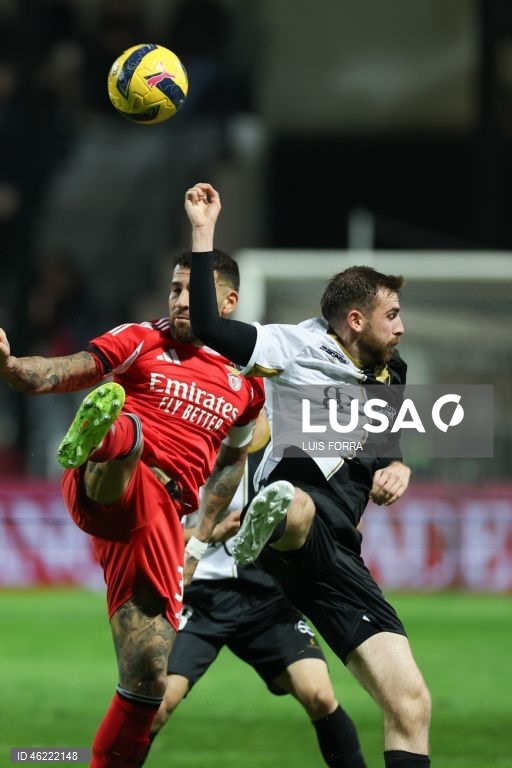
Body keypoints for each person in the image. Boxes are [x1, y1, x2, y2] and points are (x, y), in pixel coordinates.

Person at [182, 182, 432, 768]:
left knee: (411, 704)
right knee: (295, 504)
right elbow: (210, 328)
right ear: (354, 319)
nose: (400, 327)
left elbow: (385, 447)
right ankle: (266, 527)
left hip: (342, 555)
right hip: (300, 532)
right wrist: (203, 232)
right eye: (390, 315)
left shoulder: (391, 374)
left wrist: (398, 466)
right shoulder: (293, 347)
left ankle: (270, 525)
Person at [0, 250, 265, 768]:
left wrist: (200, 533)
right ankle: (108, 434)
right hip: (107, 486)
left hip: (158, 524)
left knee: (148, 676)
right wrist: (10, 367)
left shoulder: (246, 382)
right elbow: (57, 372)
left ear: (228, 303)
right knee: (132, 439)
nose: (180, 300)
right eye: (174, 289)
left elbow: (233, 460)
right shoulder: (141, 339)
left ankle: (81, 762)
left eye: (194, 292)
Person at [142, 410, 367, 768]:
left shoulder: (287, 449)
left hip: (269, 599)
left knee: (320, 696)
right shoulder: (188, 445)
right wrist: (210, 535)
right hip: (201, 601)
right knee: (156, 708)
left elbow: (332, 508)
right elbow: (151, 530)